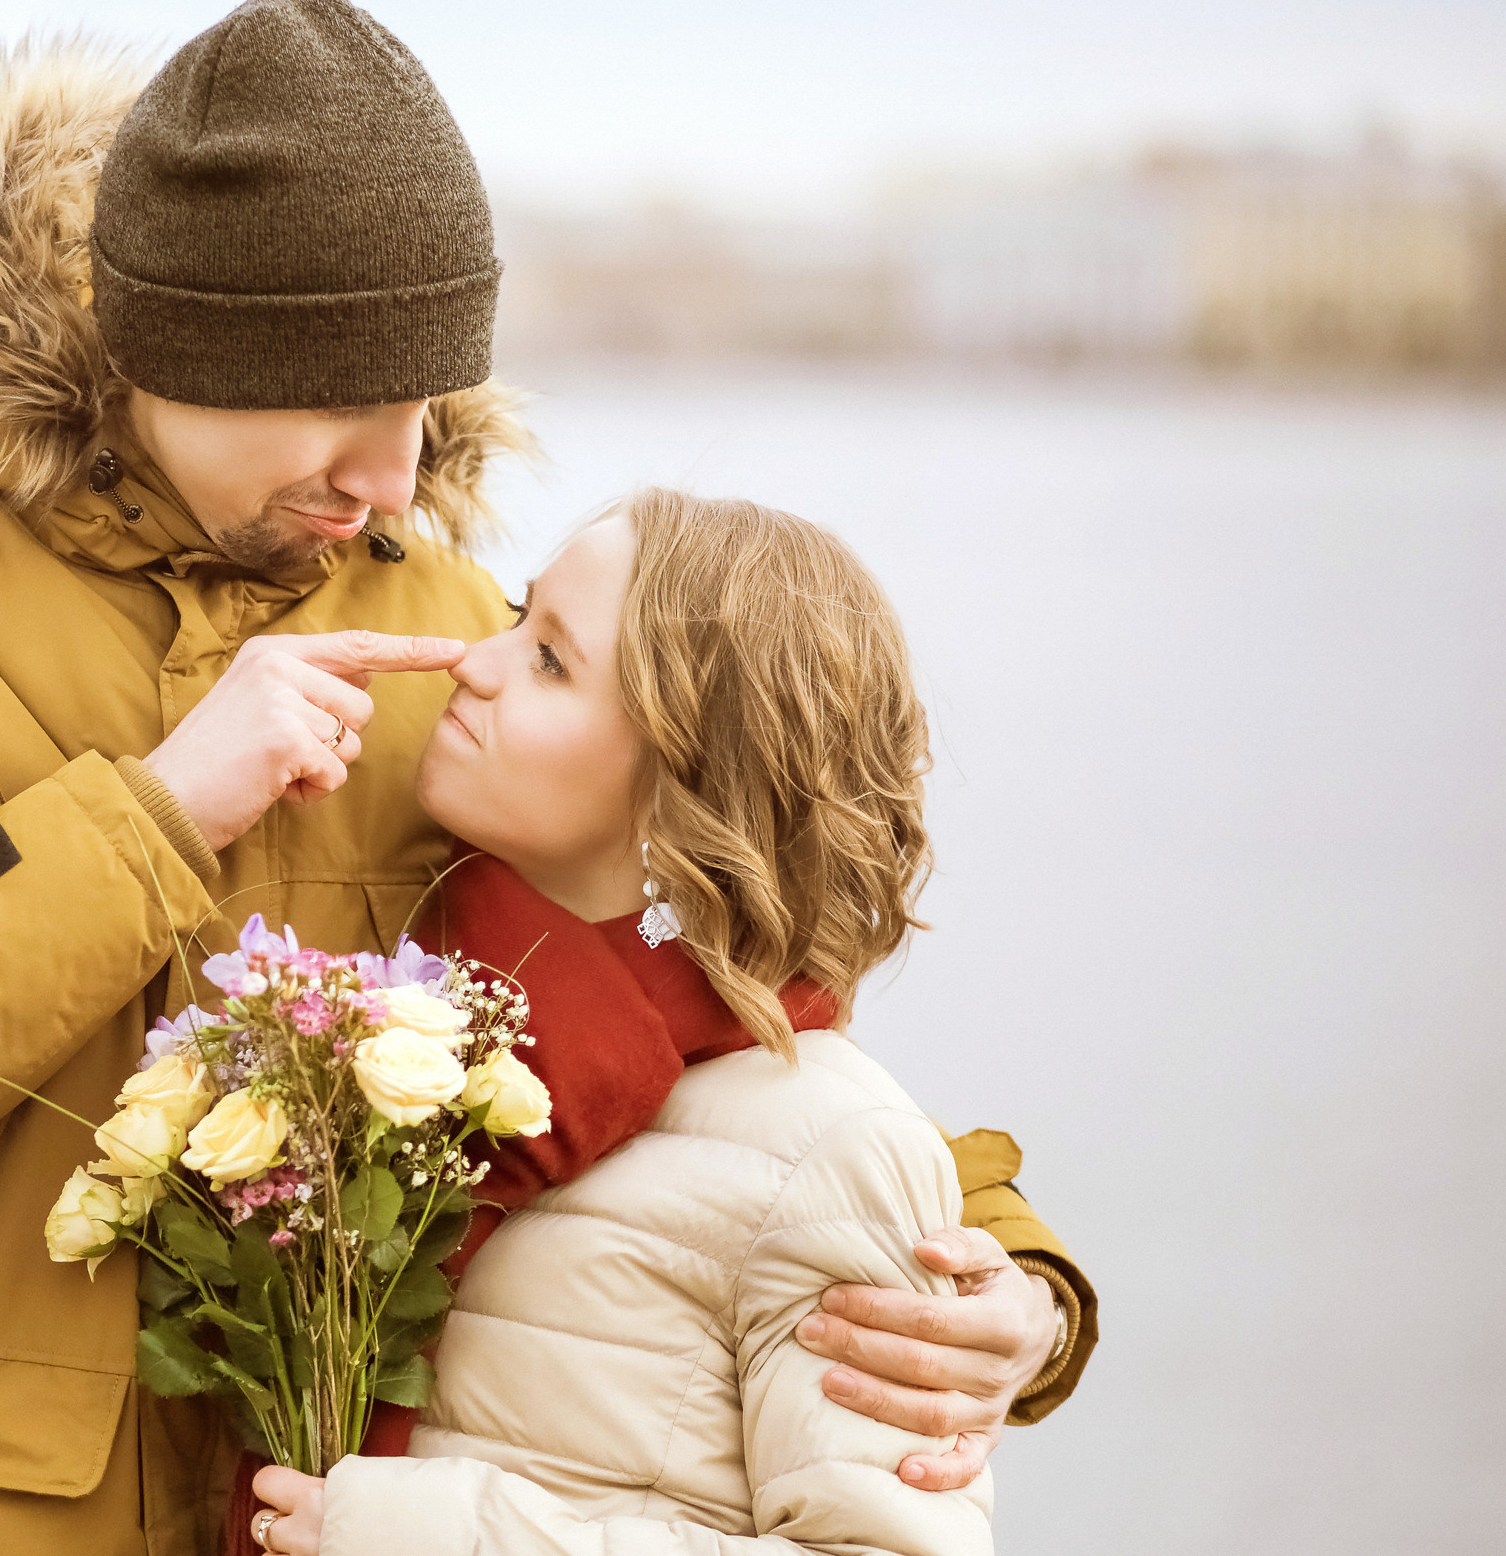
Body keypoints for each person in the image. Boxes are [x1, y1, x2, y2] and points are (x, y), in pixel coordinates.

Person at [0, 0, 1091, 1556]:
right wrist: (153, 814)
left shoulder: (445, 633)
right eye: (346, 406)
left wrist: (1007, 1284)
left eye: (426, 404)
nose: (396, 481)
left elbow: (688, 977)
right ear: (178, 346)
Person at [246, 493, 1051, 1555]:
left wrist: (427, 1538)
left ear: (685, 784)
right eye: (520, 616)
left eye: (548, 661)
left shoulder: (830, 1141)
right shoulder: (407, 1038)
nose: (472, 662)